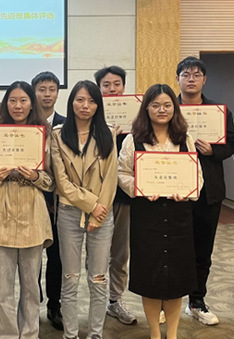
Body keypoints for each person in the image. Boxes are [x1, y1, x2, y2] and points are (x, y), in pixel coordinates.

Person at [117, 84, 204, 339]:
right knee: (151, 277)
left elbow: (197, 175)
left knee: (176, 278)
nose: (161, 110)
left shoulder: (184, 138)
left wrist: (187, 191)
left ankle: (173, 333)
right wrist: (140, 187)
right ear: (146, 108)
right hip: (147, 215)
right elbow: (122, 173)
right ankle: (155, 332)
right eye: (155, 105)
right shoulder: (133, 139)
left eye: (167, 105)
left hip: (179, 216)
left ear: (174, 108)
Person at [0, 81, 54, 339]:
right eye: (12, 100)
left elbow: (53, 181)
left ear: (32, 104)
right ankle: (6, 335)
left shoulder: (44, 136)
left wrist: (36, 177)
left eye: (23, 100)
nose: (18, 106)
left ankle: (30, 334)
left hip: (33, 216)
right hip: (0, 215)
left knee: (31, 286)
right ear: (6, 104)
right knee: (3, 287)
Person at [50, 81, 117, 339]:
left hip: (102, 213)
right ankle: (70, 334)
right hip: (70, 213)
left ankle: (96, 334)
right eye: (80, 100)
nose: (85, 106)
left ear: (98, 105)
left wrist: (100, 211)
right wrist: (91, 205)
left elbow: (111, 178)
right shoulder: (58, 135)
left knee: (98, 278)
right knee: (70, 278)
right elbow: (61, 181)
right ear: (71, 102)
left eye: (91, 101)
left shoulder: (108, 134)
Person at [174, 57, 234, 326]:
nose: (191, 79)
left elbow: (232, 143)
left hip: (208, 191)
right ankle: (169, 302)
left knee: (202, 249)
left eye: (196, 74)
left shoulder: (218, 111)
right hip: (174, 190)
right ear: (177, 79)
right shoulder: (168, 109)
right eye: (186, 74)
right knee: (172, 249)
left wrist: (213, 151)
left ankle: (197, 301)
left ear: (204, 80)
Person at [94, 65, 137, 326]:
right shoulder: (89, 115)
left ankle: (115, 300)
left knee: (120, 253)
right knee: (94, 255)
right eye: (106, 85)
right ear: (98, 89)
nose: (112, 89)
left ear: (124, 86)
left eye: (117, 84)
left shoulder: (137, 119)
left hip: (123, 197)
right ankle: (96, 302)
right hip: (94, 199)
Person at [32, 71, 65, 330]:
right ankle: (33, 302)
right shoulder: (24, 123)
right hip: (31, 200)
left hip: (59, 203)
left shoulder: (67, 124)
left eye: (52, 89)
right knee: (31, 258)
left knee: (57, 257)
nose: (47, 94)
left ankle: (55, 304)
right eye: (42, 89)